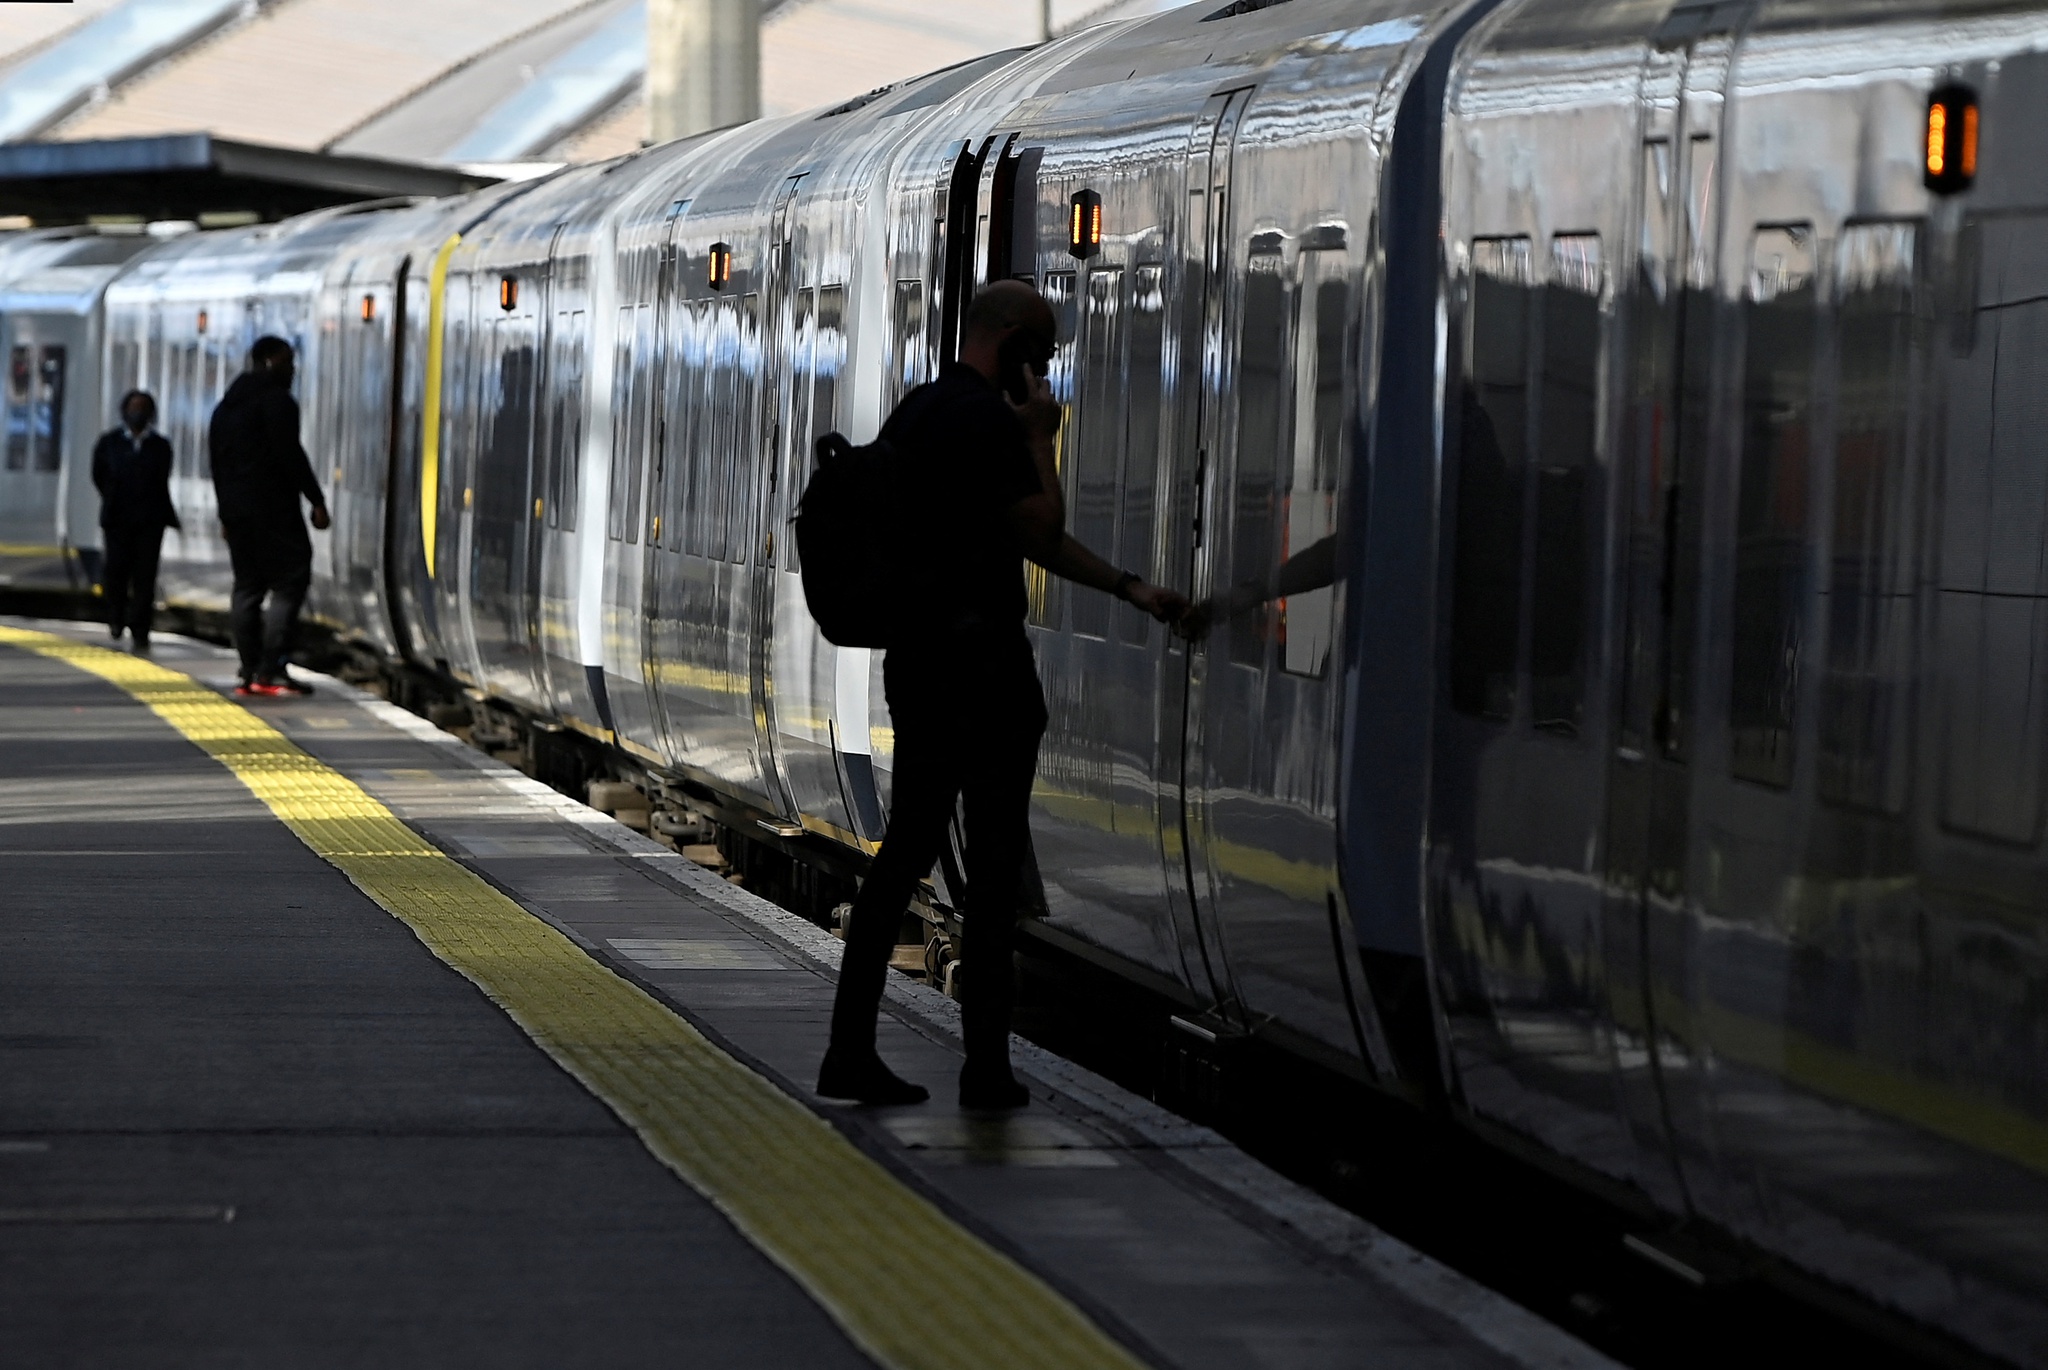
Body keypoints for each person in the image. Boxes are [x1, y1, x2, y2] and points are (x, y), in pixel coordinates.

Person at [818, 281, 1188, 1111]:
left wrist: (1129, 587)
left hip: (918, 663)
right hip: (980, 669)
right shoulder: (991, 422)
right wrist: (1041, 440)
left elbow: (1031, 542)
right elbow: (1039, 530)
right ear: (1015, 342)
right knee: (990, 873)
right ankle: (985, 1068)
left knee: (904, 855)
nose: (1047, 369)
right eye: (1044, 352)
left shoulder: (920, 413)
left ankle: (850, 1049)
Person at [209, 336, 329, 697]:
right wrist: (316, 499)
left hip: (237, 513)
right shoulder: (277, 403)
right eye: (287, 361)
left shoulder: (225, 409)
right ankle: (271, 667)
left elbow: (218, 465)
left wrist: (226, 513)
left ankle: (249, 668)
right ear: (269, 361)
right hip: (274, 511)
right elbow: (289, 454)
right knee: (289, 581)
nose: (292, 369)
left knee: (247, 588)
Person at [91, 390, 179, 654]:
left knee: (145, 577)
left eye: (143, 408)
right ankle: (116, 616)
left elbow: (162, 477)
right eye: (133, 407)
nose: (137, 413)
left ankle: (141, 629)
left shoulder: (160, 446)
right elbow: (98, 475)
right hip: (117, 520)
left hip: (150, 521)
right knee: (116, 572)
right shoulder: (109, 443)